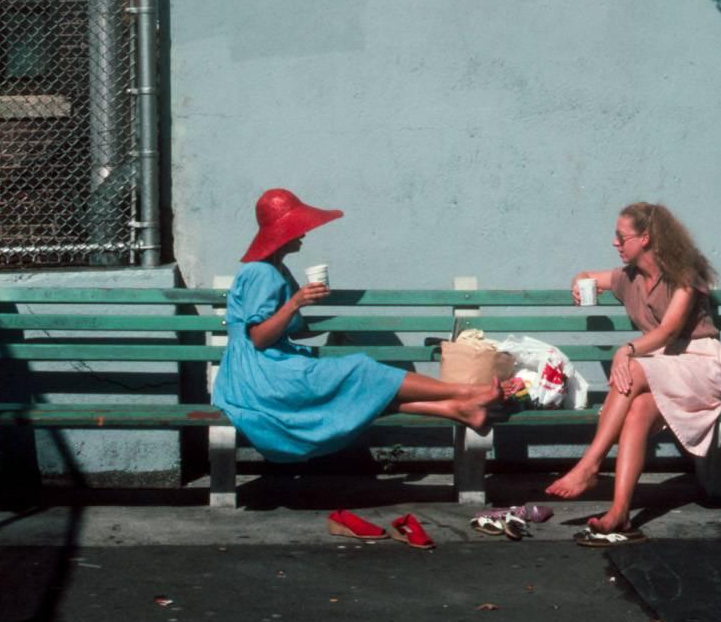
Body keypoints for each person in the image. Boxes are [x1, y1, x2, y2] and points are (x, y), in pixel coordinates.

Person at [211, 187, 513, 463]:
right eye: (299, 227)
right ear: (284, 231)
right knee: (362, 370)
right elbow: (259, 338)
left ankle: (455, 408)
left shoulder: (276, 269)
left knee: (360, 389)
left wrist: (332, 326)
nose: (304, 234)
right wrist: (296, 302)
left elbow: (286, 330)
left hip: (268, 370)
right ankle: (466, 393)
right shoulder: (261, 273)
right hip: (261, 377)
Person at [545, 201, 721, 544]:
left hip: (700, 364)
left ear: (645, 238)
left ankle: (590, 465)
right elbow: (587, 275)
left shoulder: (684, 273)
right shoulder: (627, 278)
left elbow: (669, 331)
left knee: (630, 367)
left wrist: (626, 350)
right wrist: (578, 283)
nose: (615, 243)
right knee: (637, 412)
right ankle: (620, 514)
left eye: (621, 236)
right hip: (660, 366)